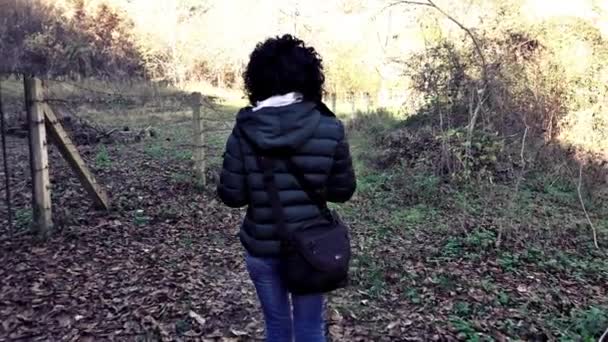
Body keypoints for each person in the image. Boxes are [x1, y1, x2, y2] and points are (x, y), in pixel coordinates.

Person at [217, 34, 356, 342]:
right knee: (310, 328)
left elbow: (232, 196)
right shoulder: (329, 127)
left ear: (257, 78)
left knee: (277, 327)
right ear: (309, 77)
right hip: (312, 248)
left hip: (262, 248)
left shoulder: (244, 129)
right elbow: (342, 191)